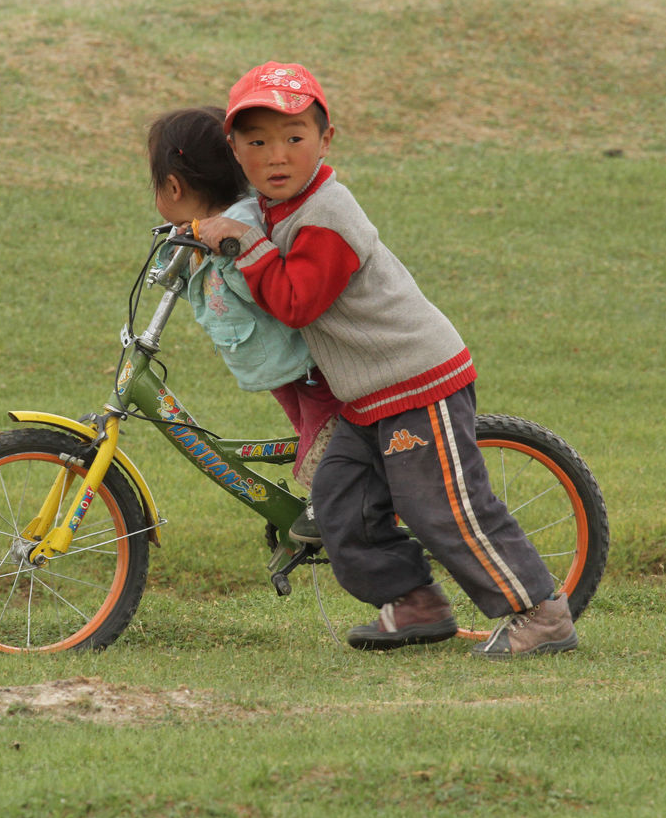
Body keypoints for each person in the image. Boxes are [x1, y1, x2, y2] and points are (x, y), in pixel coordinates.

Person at [195, 62, 577, 659]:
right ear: (235, 149)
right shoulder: (269, 212)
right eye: (257, 142)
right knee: (342, 505)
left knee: (441, 507)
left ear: (326, 140)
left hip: (415, 380)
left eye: (295, 138)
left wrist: (244, 246)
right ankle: (416, 603)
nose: (277, 156)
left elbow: (297, 301)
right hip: (365, 397)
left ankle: (542, 614)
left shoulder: (329, 213)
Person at [148, 107, 344, 499]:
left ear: (172, 188)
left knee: (325, 444)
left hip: (308, 366)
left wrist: (220, 251)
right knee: (312, 434)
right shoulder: (204, 231)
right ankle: (334, 500)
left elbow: (267, 287)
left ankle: (340, 510)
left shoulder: (238, 229)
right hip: (281, 370)